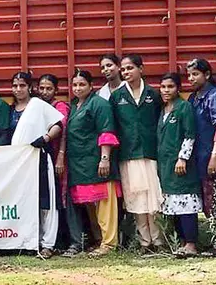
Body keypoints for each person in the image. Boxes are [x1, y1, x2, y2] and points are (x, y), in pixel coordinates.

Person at [109, 54, 163, 253]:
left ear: (141, 68)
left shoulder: (153, 94)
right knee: (136, 198)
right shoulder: (116, 96)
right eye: (123, 70)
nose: (126, 73)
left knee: (154, 197)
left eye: (130, 68)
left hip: (150, 152)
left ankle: (159, 240)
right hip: (128, 154)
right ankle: (144, 242)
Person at [8, 72, 64, 258]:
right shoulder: (10, 110)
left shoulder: (38, 105)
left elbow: (58, 125)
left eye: (22, 85)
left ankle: (48, 243)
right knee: (25, 201)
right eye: (15, 86)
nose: (18, 89)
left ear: (29, 87)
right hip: (19, 164)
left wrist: (46, 138)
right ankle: (29, 241)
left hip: (39, 158)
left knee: (46, 201)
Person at [65, 69, 121, 257]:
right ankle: (98, 240)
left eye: (82, 84)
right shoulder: (73, 106)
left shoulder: (99, 104)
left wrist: (104, 159)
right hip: (79, 164)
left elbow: (106, 131)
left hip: (98, 161)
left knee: (105, 202)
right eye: (75, 85)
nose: (78, 88)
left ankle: (109, 242)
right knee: (89, 203)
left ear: (91, 86)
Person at [185, 58, 216, 253]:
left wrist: (215, 155)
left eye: (195, 74)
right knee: (209, 201)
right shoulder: (194, 98)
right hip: (201, 157)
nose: (191, 78)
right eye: (189, 75)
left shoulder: (215, 96)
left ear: (206, 75)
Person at [156, 73, 201, 258]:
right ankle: (181, 242)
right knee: (173, 204)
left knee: (186, 204)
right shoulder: (164, 109)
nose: (166, 90)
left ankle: (191, 243)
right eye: (163, 87)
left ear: (178, 88)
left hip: (181, 165)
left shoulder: (184, 108)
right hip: (165, 165)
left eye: (170, 87)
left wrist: (183, 158)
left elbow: (190, 134)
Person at [39, 74, 80, 256]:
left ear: (56, 90)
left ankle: (73, 241)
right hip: (43, 160)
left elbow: (62, 132)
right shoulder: (37, 106)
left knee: (64, 199)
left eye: (49, 88)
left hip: (58, 159)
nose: (45, 92)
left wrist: (61, 157)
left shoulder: (60, 107)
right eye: (42, 88)